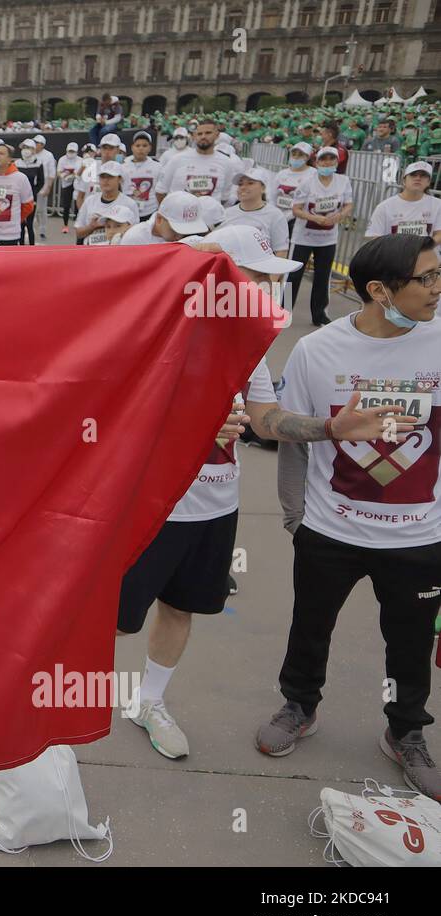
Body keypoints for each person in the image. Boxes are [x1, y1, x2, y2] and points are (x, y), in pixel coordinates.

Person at [122, 224, 397, 759]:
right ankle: (58, 722)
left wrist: (332, 428)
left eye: (271, 279)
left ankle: (148, 701)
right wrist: (187, 425)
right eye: (255, 276)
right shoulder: (153, 331)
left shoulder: (248, 341)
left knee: (180, 609)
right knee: (107, 619)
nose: (265, 289)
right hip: (148, 506)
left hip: (215, 505)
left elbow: (266, 420)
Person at [255, 234, 441, 800]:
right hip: (331, 528)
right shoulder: (319, 350)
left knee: (408, 642)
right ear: (380, 291)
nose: (437, 288)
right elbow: (291, 435)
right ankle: (299, 705)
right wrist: (296, 518)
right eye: (426, 279)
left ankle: (405, 728)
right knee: (311, 626)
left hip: (420, 536)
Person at [290, 146, 354, 326]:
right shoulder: (307, 183)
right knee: (292, 276)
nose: (327, 163)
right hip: (303, 237)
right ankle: (281, 311)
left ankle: (320, 315)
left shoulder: (343, 181)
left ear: (336, 162)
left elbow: (349, 205)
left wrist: (340, 216)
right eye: (323, 160)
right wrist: (313, 217)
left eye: (331, 159)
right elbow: (296, 209)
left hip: (328, 239)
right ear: (316, 162)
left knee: (323, 276)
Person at [156, 118, 237, 204]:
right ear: (194, 136)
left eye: (208, 133)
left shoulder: (226, 163)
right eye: (199, 134)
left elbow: (224, 198)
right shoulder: (177, 160)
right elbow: (160, 191)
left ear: (217, 135)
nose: (203, 137)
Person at [222, 167, 290, 258]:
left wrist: (273, 273)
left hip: (261, 271)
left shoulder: (275, 215)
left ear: (263, 188)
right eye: (240, 184)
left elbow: (281, 252)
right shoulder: (227, 213)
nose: (243, 187)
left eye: (250, 183)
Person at [365, 161, 441, 242]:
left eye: (423, 176)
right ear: (404, 181)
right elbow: (374, 236)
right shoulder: (384, 207)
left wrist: (424, 249)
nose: (418, 178)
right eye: (413, 175)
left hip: (427, 252)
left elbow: (439, 234)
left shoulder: (438, 205)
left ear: (428, 182)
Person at [75, 162, 139, 245]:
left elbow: (136, 234)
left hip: (117, 253)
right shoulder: (89, 201)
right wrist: (91, 227)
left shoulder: (130, 204)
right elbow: (78, 233)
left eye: (110, 177)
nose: (106, 180)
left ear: (119, 179)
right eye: (102, 177)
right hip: (91, 253)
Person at [118, 191, 207, 246]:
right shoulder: (135, 238)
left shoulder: (194, 239)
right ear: (159, 219)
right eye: (175, 231)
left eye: (189, 230)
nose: (180, 236)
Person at [274, 142, 315, 240]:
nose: (296, 157)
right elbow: (271, 197)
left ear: (307, 157)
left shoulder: (313, 174)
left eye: (300, 154)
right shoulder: (282, 174)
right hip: (278, 220)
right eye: (294, 154)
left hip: (299, 222)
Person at [122, 131, 161, 223]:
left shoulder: (157, 167)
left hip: (151, 211)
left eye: (144, 145)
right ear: (132, 147)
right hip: (128, 212)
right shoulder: (123, 167)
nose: (141, 148)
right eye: (138, 145)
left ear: (150, 148)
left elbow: (160, 191)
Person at [55, 142, 82, 235]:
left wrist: (74, 175)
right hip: (66, 184)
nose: (71, 153)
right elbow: (58, 171)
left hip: (78, 184)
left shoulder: (80, 160)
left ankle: (78, 223)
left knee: (78, 204)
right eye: (70, 151)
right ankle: (65, 225)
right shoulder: (62, 159)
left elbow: (80, 171)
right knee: (66, 205)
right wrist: (63, 176)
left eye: (73, 151)